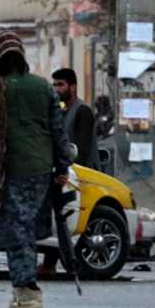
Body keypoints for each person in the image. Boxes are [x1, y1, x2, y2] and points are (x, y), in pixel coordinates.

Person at [0, 30, 72, 308]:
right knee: (24, 224)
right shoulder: (43, 87)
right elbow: (58, 132)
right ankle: (23, 288)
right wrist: (62, 168)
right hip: (40, 168)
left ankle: (27, 289)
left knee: (19, 227)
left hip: (8, 168)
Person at [39, 67, 97, 278]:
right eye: (54, 85)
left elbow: (80, 150)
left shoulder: (82, 111)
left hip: (81, 175)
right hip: (64, 172)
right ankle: (50, 263)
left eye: (60, 84)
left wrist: (67, 169)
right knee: (59, 214)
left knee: (69, 218)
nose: (56, 89)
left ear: (72, 86)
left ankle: (63, 263)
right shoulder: (61, 111)